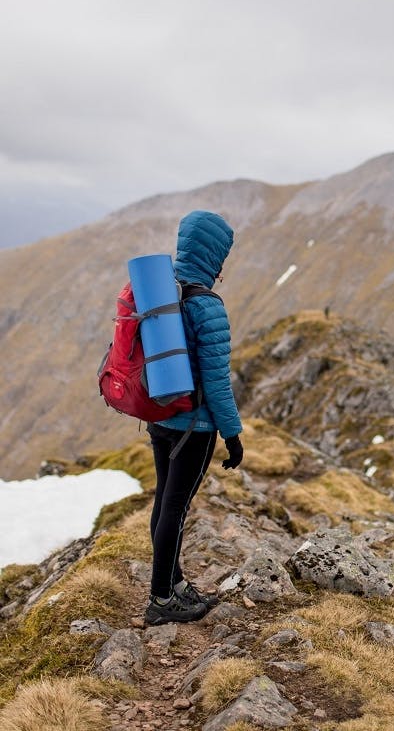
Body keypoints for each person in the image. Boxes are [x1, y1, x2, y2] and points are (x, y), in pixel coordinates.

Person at [144, 210, 244, 625]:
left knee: (164, 502)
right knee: (176, 509)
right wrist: (233, 435)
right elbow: (218, 383)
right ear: (215, 256)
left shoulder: (159, 293)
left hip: (159, 418)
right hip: (194, 427)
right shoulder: (207, 306)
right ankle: (163, 600)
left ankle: (175, 583)